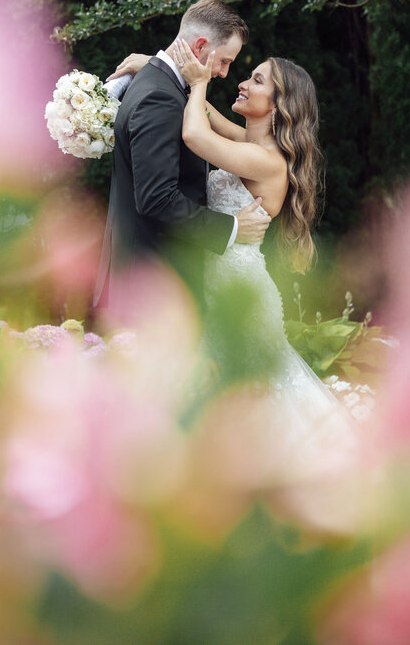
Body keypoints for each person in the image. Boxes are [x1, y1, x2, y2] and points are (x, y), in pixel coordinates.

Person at [108, 39, 360, 531]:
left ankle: (278, 500)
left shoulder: (267, 162)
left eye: (258, 80)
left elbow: (197, 136)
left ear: (279, 105)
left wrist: (199, 81)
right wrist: (155, 67)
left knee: (254, 396)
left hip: (240, 290)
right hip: (220, 283)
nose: (242, 82)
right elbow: (194, 114)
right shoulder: (250, 146)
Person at [92, 0, 270, 317]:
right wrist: (231, 227)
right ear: (200, 45)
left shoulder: (160, 84)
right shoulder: (160, 97)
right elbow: (156, 199)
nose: (225, 73)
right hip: (152, 285)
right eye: (225, 61)